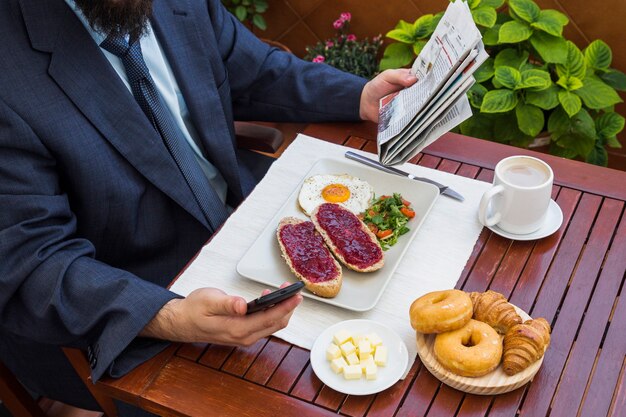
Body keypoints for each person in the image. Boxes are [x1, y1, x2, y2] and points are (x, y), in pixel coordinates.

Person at [0, 0, 417, 413]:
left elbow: (254, 71)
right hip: (140, 298)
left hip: (244, 223)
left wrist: (358, 95)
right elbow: (33, 263)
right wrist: (168, 315)